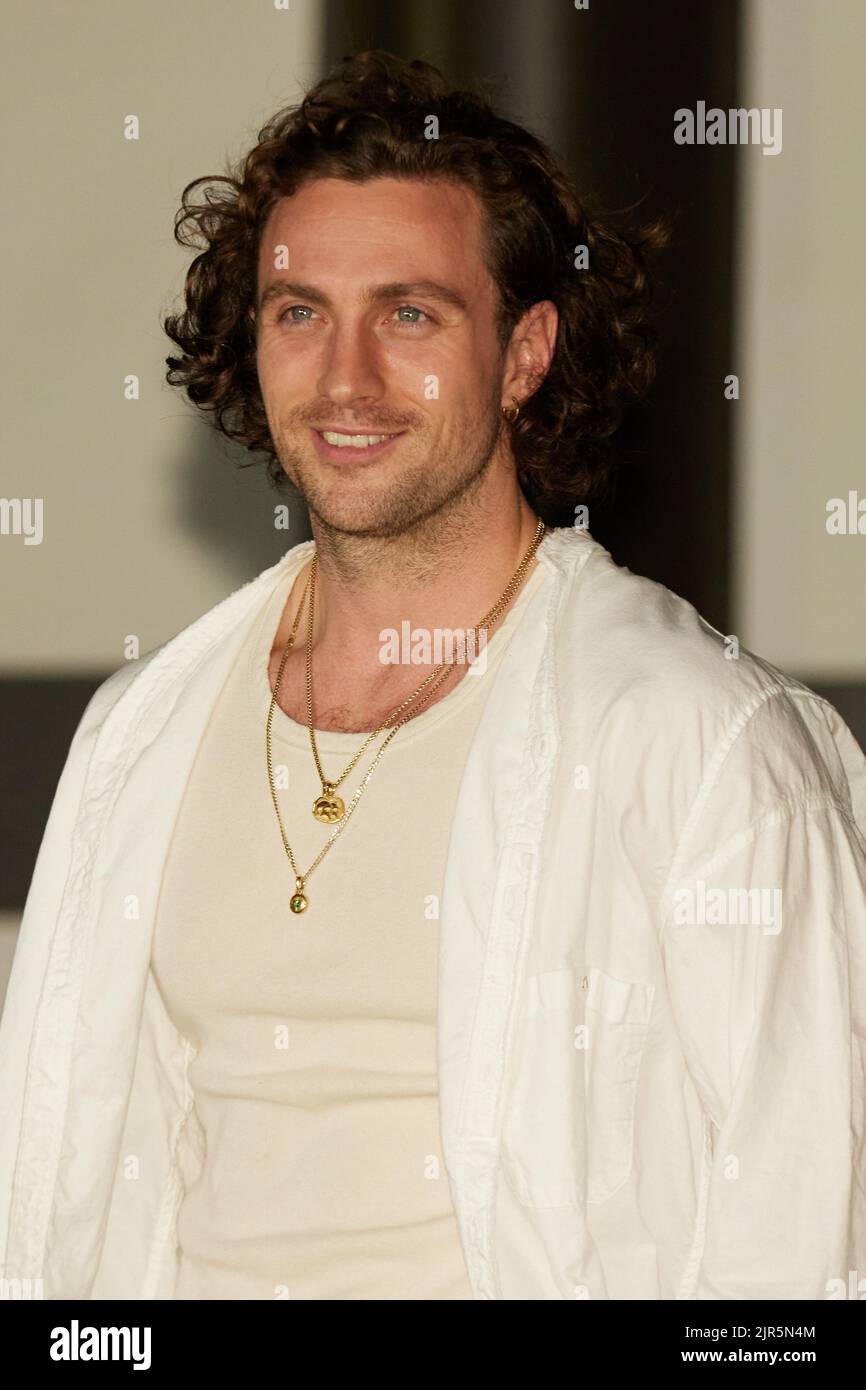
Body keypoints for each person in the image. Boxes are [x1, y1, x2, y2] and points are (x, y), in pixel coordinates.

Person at [1, 50, 864, 1302]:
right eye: (301, 312)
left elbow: (813, 1233)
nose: (346, 378)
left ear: (522, 353)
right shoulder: (143, 733)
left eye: (409, 313)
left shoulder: (700, 742)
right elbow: (62, 1204)